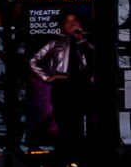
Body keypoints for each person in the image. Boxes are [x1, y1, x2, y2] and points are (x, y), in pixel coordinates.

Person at [28, 11, 93, 148]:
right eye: (68, 21)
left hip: (82, 87)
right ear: (63, 26)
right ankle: (65, 150)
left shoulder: (86, 44)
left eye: (75, 20)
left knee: (81, 124)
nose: (72, 24)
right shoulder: (55, 44)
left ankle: (80, 151)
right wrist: (48, 77)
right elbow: (33, 61)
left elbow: (94, 62)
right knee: (64, 123)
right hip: (62, 87)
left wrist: (82, 41)